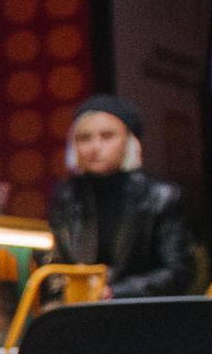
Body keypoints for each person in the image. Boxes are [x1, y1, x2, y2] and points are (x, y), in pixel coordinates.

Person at [48, 94, 194, 298]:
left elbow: (178, 272)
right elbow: (53, 263)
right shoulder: (66, 195)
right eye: (84, 138)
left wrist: (113, 292)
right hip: (80, 313)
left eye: (107, 136)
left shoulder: (161, 196)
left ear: (129, 141)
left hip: (142, 313)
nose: (95, 147)